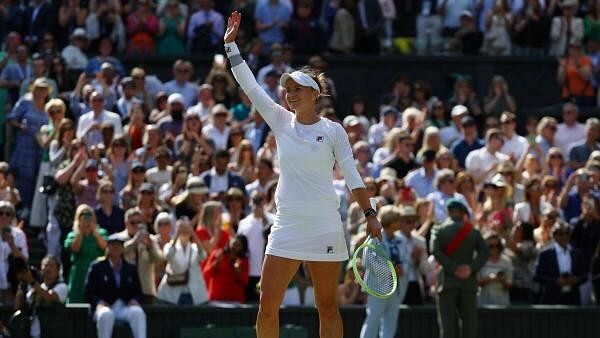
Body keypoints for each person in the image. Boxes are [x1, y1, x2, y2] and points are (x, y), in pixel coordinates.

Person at [224, 11, 382, 338]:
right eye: (288, 89)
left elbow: (352, 176)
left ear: (315, 94)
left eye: (298, 89)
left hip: (324, 224)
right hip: (287, 224)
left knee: (327, 306)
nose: (290, 94)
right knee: (268, 304)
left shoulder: (334, 131)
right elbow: (251, 87)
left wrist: (370, 214)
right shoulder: (280, 121)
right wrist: (231, 48)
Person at [430, 198, 489, 338]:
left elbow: (434, 251)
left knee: (447, 326)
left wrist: (453, 268)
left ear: (448, 212)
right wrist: (470, 268)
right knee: (470, 325)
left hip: (447, 282)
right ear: (463, 213)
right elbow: (485, 252)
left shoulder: (438, 229)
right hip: (468, 283)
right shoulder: (473, 231)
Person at [84, 233, 146, 338]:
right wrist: (99, 302)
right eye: (113, 245)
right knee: (105, 315)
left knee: (138, 312)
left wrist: (135, 300)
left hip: (124, 306)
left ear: (122, 248)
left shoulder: (131, 268)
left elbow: (138, 291)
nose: (116, 248)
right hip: (105, 306)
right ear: (108, 247)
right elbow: (88, 291)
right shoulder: (97, 267)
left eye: (118, 245)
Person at [359, 205, 409, 338]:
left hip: (396, 288)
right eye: (397, 219)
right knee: (372, 321)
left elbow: (405, 260)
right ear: (390, 220)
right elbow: (368, 261)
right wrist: (390, 271)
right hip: (377, 288)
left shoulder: (402, 240)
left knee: (390, 324)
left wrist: (402, 270)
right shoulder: (374, 238)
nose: (400, 222)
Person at [157, 217, 208, 305]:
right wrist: (177, 234)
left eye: (186, 228)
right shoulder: (169, 246)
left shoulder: (194, 247)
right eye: (181, 228)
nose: (184, 231)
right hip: (172, 293)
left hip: (193, 293)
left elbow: (203, 256)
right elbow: (168, 255)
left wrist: (193, 233)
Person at [13, 255, 67, 338]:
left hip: (54, 333)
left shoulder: (62, 286)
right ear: (41, 269)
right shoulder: (37, 288)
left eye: (51, 266)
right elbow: (18, 306)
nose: (48, 268)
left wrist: (31, 280)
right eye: (45, 265)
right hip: (35, 334)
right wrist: (22, 283)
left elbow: (49, 297)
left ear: (58, 270)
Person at [534, 223, 587, 305]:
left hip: (572, 299)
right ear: (554, 236)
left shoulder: (577, 253)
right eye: (561, 234)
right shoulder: (545, 254)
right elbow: (537, 276)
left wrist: (576, 279)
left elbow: (584, 275)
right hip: (551, 300)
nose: (564, 237)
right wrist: (556, 281)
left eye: (567, 233)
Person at [64, 204, 108, 303]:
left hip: (97, 275)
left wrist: (94, 231)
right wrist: (81, 231)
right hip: (79, 275)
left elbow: (105, 247)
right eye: (83, 215)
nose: (87, 219)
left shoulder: (101, 233)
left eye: (89, 215)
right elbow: (75, 249)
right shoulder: (72, 235)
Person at [237, 192, 274, 302]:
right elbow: (240, 245)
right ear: (250, 202)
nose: (257, 205)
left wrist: (263, 218)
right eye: (255, 201)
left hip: (268, 272)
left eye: (260, 201)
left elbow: (270, 237)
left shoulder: (273, 219)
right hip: (249, 272)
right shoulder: (244, 222)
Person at [478, 232, 513, 305]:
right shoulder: (480, 261)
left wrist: (501, 280)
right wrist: (489, 278)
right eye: (491, 246)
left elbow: (510, 284)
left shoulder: (507, 262)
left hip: (502, 302)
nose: (494, 248)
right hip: (484, 302)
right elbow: (476, 283)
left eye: (497, 246)